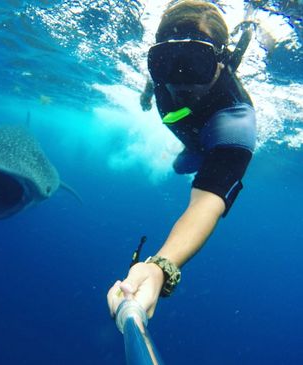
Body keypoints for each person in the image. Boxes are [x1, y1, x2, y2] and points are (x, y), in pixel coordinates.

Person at [108, 0, 257, 319]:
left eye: (195, 63)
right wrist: (149, 92)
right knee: (179, 166)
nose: (178, 80)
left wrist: (160, 268)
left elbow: (207, 205)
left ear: (221, 61)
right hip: (191, 144)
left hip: (211, 145)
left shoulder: (236, 124)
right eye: (164, 62)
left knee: (187, 167)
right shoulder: (164, 78)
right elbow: (159, 78)